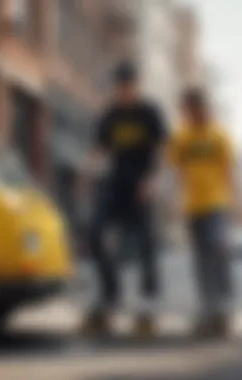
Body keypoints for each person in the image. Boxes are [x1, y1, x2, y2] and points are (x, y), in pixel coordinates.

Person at [83, 62, 167, 337]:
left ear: (136, 87)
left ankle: (148, 302)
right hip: (115, 186)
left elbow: (162, 149)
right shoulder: (111, 115)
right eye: (120, 89)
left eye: (128, 89)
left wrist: (153, 180)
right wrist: (85, 175)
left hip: (142, 187)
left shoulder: (149, 113)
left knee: (146, 245)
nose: (124, 94)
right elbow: (98, 148)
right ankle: (111, 295)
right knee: (94, 232)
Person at [167, 88, 235, 338]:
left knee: (217, 251)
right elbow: (177, 171)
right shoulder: (181, 137)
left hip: (216, 204)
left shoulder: (219, 135)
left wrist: (231, 204)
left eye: (193, 109)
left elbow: (228, 170)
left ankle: (223, 307)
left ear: (202, 108)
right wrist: (177, 200)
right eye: (186, 110)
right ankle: (208, 309)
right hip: (192, 206)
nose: (189, 114)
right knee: (200, 259)